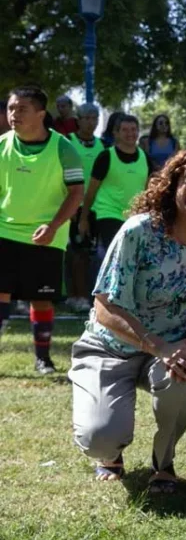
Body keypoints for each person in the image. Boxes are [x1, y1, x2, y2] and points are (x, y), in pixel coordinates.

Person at [68, 147, 186, 493]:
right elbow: (104, 305)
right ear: (172, 184)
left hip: (174, 347)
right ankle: (110, 455)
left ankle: (164, 462)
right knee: (99, 438)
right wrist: (157, 345)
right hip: (112, 347)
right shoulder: (139, 231)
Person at [0, 87, 84, 374]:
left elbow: (76, 193)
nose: (14, 114)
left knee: (41, 298)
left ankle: (43, 359)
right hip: (5, 231)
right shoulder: (2, 146)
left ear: (40, 114)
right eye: (11, 108)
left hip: (47, 234)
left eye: (22, 109)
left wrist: (53, 226)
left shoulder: (64, 148)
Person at [80, 115, 156, 262]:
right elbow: (91, 191)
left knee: (132, 259)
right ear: (116, 133)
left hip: (135, 216)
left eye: (133, 129)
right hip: (109, 214)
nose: (130, 133)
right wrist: (84, 219)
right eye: (125, 130)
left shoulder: (145, 158)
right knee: (117, 255)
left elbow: (149, 191)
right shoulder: (106, 156)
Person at [65, 103, 107, 313]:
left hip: (97, 207)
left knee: (91, 254)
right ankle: (76, 296)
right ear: (78, 120)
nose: (91, 122)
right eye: (87, 118)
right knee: (76, 252)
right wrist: (70, 207)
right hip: (73, 205)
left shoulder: (103, 146)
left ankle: (87, 295)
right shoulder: (68, 142)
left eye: (94, 118)